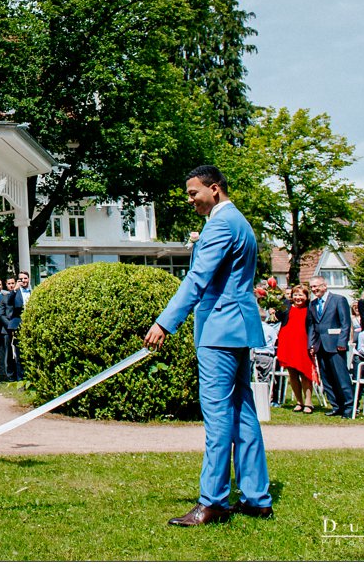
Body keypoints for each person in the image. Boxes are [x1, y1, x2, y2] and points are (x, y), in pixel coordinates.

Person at [143, 165, 271, 526]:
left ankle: (213, 501)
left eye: (193, 192)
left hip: (219, 330)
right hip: (240, 327)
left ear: (214, 189)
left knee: (217, 418)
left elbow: (197, 279)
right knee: (243, 413)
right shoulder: (240, 222)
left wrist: (165, 322)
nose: (190, 200)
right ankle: (257, 497)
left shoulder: (220, 224)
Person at [308, 276, 354, 419]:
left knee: (341, 377)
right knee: (327, 379)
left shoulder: (338, 300)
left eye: (317, 286)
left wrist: (342, 342)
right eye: (312, 288)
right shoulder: (313, 304)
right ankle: (336, 406)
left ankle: (349, 407)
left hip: (335, 345)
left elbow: (345, 323)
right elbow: (312, 326)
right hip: (320, 345)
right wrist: (311, 344)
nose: (315, 290)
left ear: (325, 286)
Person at [278, 284, 318, 414]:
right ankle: (299, 401)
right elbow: (278, 315)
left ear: (306, 296)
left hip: (302, 343)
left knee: (305, 373)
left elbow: (313, 326)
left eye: (301, 295)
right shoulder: (286, 305)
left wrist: (312, 344)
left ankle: (308, 402)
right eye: (295, 294)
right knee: (292, 374)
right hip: (288, 342)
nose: (298, 297)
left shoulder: (310, 308)